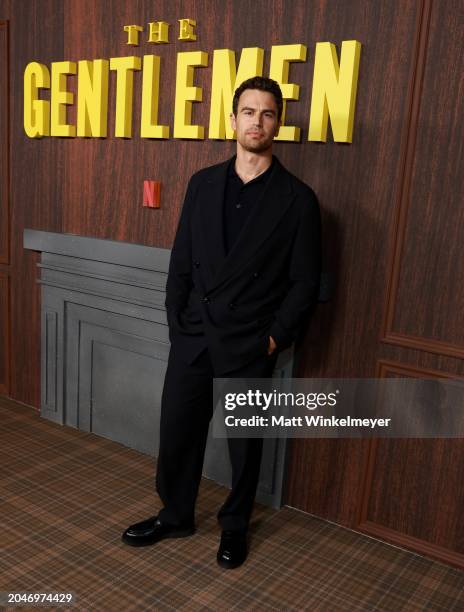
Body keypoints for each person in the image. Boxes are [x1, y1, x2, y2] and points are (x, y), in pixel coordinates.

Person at [122, 76, 321, 569]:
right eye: (248, 111)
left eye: (268, 113)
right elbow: (182, 260)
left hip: (250, 340)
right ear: (233, 121)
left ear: (279, 124)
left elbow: (305, 282)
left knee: (244, 445)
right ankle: (175, 514)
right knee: (178, 432)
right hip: (193, 334)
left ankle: (234, 526)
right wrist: (177, 320)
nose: (257, 121)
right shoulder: (202, 183)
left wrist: (275, 337)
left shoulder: (298, 200)